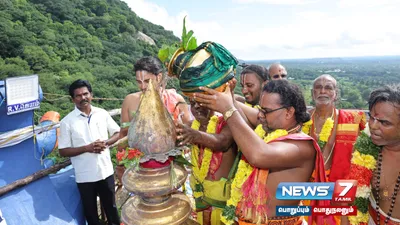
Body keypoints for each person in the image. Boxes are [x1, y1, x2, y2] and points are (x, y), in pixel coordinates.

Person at [194, 80, 333, 225]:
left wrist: (228, 109)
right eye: (260, 109)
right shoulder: (270, 129)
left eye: (265, 111)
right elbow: (242, 115)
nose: (260, 115)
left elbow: (258, 155)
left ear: (289, 112)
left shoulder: (302, 146)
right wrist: (228, 95)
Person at [59, 79, 120, 225]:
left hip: (105, 171)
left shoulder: (101, 113)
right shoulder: (67, 122)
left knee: (111, 209)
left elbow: (117, 133)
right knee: (91, 214)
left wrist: (105, 143)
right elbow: (63, 151)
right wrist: (87, 148)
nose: (83, 98)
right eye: (78, 96)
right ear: (73, 99)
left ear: (91, 95)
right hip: (85, 176)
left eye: (85, 94)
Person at [343, 84, 400, 225]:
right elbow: (347, 197)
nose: (373, 126)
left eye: (384, 122)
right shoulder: (364, 149)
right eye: (371, 117)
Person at [175, 98, 237, 225]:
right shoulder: (191, 126)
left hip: (224, 208)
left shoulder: (227, 124)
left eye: (202, 102)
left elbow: (222, 142)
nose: (197, 107)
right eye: (192, 104)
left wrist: (196, 135)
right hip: (201, 202)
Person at [303, 74, 366, 182]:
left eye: (328, 88)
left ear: (335, 94)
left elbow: (359, 157)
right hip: (306, 183)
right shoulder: (302, 119)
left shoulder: (351, 121)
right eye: (318, 87)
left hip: (337, 183)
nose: (323, 91)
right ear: (313, 93)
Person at [119, 56, 191, 138]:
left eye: (147, 81)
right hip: (137, 150)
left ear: (159, 77)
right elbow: (123, 134)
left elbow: (189, 131)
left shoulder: (176, 100)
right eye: (139, 82)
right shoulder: (130, 100)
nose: (143, 87)